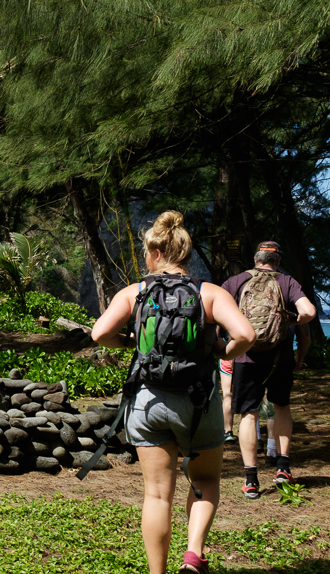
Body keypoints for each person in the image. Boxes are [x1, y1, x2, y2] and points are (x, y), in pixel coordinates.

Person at [92, 211, 255, 574]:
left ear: (154, 252)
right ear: (185, 253)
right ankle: (193, 556)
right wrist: (221, 351)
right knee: (206, 480)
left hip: (148, 402)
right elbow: (246, 335)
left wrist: (129, 344)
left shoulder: (134, 293)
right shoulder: (210, 293)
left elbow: (99, 333)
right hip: (198, 402)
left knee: (156, 494)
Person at [222, 247, 316, 498]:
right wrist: (290, 320)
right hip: (280, 358)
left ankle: (250, 480)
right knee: (282, 407)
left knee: (249, 415)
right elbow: (309, 312)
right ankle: (283, 468)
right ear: (278, 261)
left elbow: (216, 315)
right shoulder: (286, 281)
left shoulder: (236, 281)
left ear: (255, 260)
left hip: (246, 356)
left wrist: (226, 350)